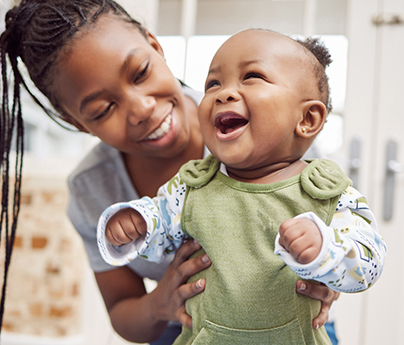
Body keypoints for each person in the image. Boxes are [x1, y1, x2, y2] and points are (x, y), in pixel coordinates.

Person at [0, 0, 341, 343]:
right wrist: (160, 304)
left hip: (289, 323)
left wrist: (331, 272)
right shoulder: (94, 190)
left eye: (141, 73)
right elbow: (123, 313)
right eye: (104, 109)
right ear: (77, 123)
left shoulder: (271, 127)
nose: (143, 109)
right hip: (181, 328)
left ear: (155, 46)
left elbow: (344, 238)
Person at [97, 29, 387, 345]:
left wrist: (326, 250)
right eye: (213, 84)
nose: (224, 93)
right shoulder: (192, 186)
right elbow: (160, 239)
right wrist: (139, 222)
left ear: (307, 118)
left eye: (251, 77)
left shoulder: (325, 192)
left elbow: (368, 265)